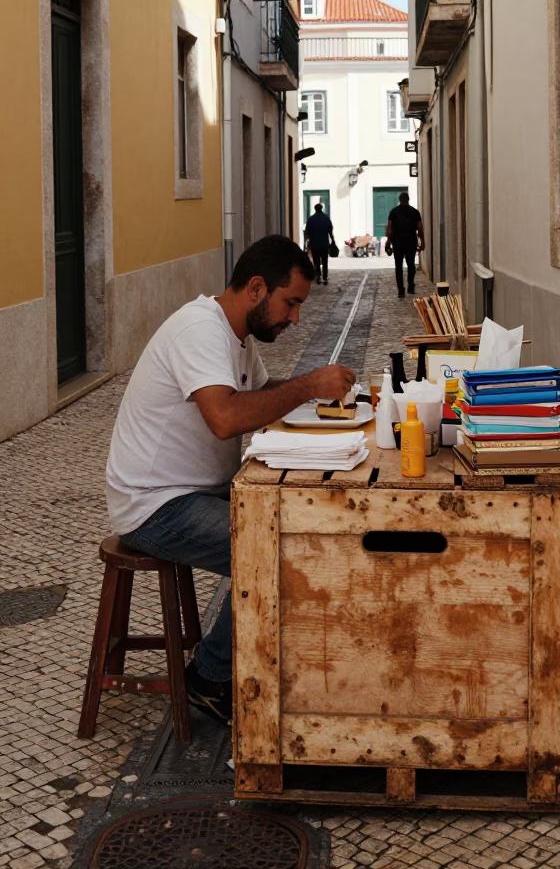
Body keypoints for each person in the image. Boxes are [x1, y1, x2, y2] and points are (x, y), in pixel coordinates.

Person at [105, 235, 355, 726]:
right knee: (277, 550)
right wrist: (307, 386)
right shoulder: (200, 331)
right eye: (291, 303)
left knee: (301, 520)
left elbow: (262, 394)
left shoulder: (233, 336)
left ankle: (273, 658)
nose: (295, 318)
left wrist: (317, 387)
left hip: (194, 489)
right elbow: (226, 417)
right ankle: (209, 678)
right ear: (257, 288)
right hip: (155, 505)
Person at [386, 191, 425, 298]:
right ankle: (411, 286)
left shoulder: (393, 212)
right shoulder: (415, 212)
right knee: (411, 265)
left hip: (397, 242)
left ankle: (401, 289)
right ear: (408, 199)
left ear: (400, 200)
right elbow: (420, 228)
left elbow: (389, 229)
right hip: (411, 242)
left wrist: (388, 242)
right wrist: (423, 242)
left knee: (398, 266)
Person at [304, 201, 335, 285]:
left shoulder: (311, 219)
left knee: (316, 260)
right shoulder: (326, 218)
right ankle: (325, 277)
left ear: (315, 209)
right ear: (321, 209)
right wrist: (333, 241)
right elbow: (330, 231)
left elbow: (307, 233)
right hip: (324, 243)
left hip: (315, 243)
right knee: (325, 260)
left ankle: (318, 276)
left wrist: (306, 244)